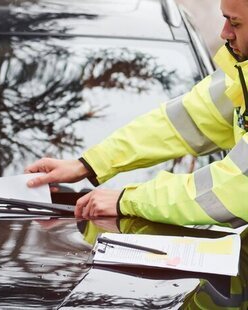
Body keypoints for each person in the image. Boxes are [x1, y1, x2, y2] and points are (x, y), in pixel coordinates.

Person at [25, 0, 248, 228]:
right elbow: (181, 123)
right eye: (225, 19)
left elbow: (237, 187)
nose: (224, 33)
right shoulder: (242, 78)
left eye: (235, 22)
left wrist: (127, 200)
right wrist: (87, 164)